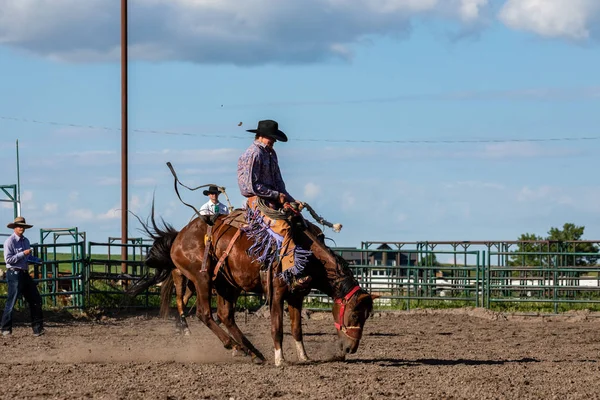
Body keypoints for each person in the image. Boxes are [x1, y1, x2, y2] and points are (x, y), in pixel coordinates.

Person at [237, 119, 312, 292]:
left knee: (301, 223)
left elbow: (279, 183)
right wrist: (276, 195)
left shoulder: (271, 154)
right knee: (284, 228)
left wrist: (290, 200)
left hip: (273, 200)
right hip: (258, 202)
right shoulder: (253, 154)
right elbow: (250, 186)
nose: (273, 141)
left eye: (274, 138)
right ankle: (291, 274)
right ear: (261, 136)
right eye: (271, 138)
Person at [1, 216, 45, 337]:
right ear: (14, 227)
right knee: (12, 301)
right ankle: (5, 328)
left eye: (23, 226)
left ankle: (37, 328)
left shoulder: (25, 241)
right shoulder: (9, 242)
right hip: (14, 273)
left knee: (35, 299)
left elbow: (27, 257)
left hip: (23, 273)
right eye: (19, 226)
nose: (21, 228)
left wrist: (36, 260)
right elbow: (8, 260)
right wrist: (23, 253)